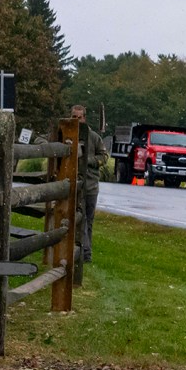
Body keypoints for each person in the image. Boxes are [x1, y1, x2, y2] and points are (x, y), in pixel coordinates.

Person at [68, 103, 107, 267]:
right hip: (71, 186)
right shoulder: (66, 134)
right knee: (74, 220)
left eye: (79, 117)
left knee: (87, 221)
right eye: (74, 117)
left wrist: (87, 161)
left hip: (90, 186)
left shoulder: (94, 137)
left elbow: (104, 156)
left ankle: (86, 253)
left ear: (84, 118)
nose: (77, 120)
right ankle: (78, 252)